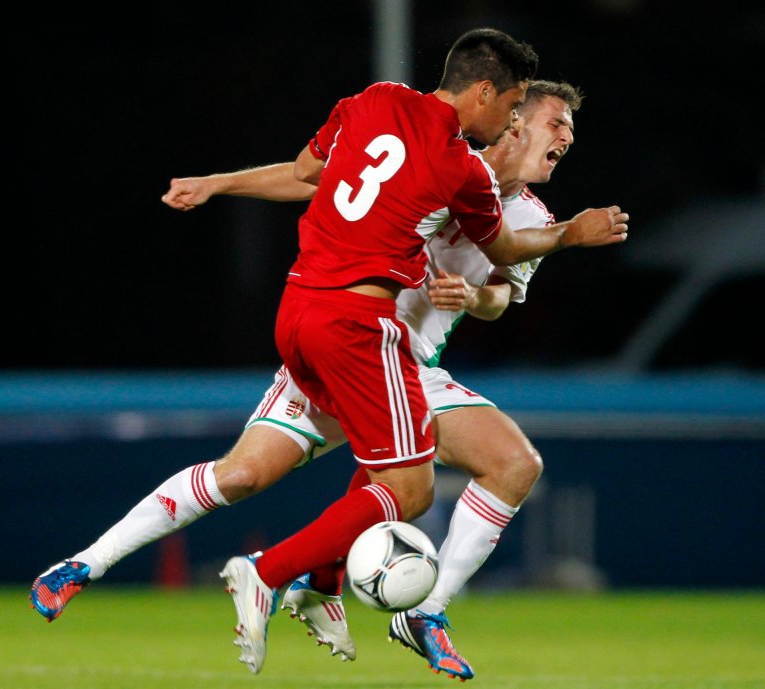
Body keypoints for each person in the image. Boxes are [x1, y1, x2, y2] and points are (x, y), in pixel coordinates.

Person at [30, 27, 626, 676]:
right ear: (508, 116)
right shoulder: (458, 165)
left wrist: (470, 294)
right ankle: (104, 561)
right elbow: (314, 179)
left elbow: (499, 294)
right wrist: (222, 183)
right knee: (260, 476)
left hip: (388, 357)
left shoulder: (524, 207)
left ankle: (407, 606)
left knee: (510, 463)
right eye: (548, 119)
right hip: (364, 338)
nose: (563, 136)